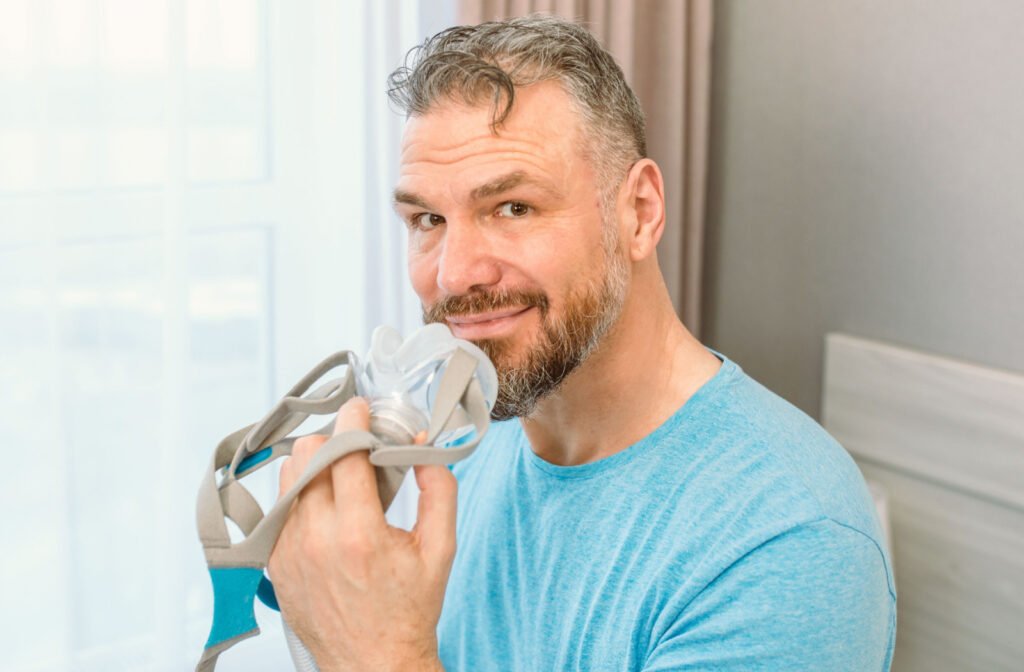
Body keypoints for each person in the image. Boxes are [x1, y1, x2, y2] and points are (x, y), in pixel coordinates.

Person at [268, 15, 896, 672]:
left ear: (640, 212)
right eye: (428, 219)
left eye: (511, 207)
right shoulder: (455, 450)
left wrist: (378, 656)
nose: (453, 275)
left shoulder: (785, 540)